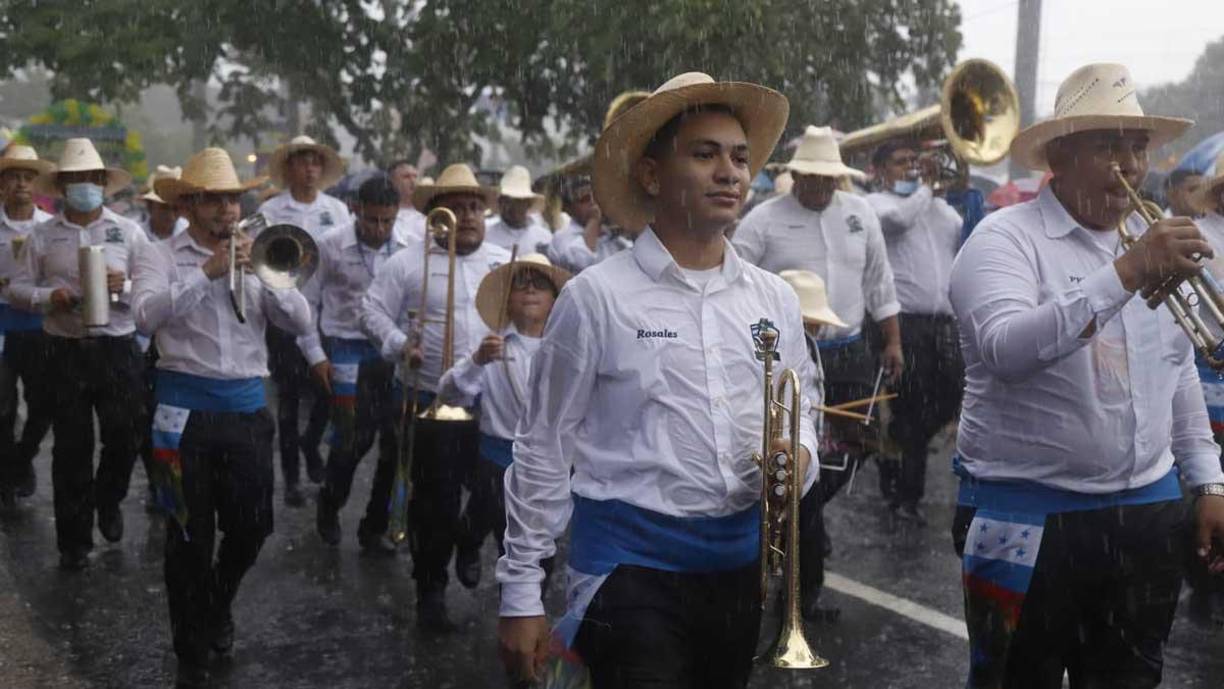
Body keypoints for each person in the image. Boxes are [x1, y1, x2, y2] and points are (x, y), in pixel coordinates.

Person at [496, 72, 820, 689]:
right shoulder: (594, 298)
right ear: (651, 176)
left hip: (739, 568)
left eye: (740, 157)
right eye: (704, 154)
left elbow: (802, 402)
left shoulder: (774, 297)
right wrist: (520, 591)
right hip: (627, 569)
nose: (729, 172)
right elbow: (543, 446)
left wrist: (797, 454)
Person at [948, 63, 1224, 689]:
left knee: (1130, 679)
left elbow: (1177, 367)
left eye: (1137, 147)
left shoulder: (1153, 240)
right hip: (1024, 516)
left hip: (1147, 514)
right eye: (1106, 146)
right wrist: (1126, 274)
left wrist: (1209, 482)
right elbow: (1004, 351)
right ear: (1060, 156)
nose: (1128, 166)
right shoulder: (1002, 241)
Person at [132, 147, 312, 689]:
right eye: (213, 200)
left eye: (232, 199)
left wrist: (268, 276)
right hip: (180, 414)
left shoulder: (256, 252)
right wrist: (207, 273)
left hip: (245, 410)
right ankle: (191, 645)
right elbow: (144, 316)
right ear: (188, 205)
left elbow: (301, 322)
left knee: (255, 524)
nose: (226, 210)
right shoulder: (158, 254)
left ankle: (215, 599)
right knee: (188, 533)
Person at [734, 124, 902, 618]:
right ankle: (803, 568)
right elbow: (734, 285)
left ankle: (802, 518)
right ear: (798, 173)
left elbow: (880, 283)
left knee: (856, 448)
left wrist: (892, 341)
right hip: (785, 353)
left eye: (830, 178)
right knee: (789, 453)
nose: (821, 187)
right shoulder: (762, 221)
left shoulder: (860, 214)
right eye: (812, 177)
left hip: (848, 352)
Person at [361, 162, 510, 631]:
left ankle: (469, 540)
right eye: (457, 207)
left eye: (475, 207)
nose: (468, 216)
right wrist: (398, 344)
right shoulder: (407, 261)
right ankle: (431, 589)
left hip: (492, 404)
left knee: (493, 494)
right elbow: (371, 309)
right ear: (435, 214)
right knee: (435, 502)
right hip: (429, 398)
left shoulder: (504, 262)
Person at [8, 138, 148, 570]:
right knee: (71, 446)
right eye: (74, 180)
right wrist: (52, 297)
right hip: (63, 350)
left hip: (117, 347)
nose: (84, 185)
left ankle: (108, 498)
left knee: (125, 435)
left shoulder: (128, 232)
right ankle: (74, 541)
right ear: (62, 186)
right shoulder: (42, 235)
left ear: (104, 183)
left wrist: (121, 287)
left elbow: (149, 291)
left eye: (91, 179)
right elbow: (16, 289)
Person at [436, 253, 569, 591]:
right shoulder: (491, 344)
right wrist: (477, 361)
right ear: (507, 299)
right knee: (487, 518)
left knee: (538, 546)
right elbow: (449, 395)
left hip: (546, 463)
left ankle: (525, 603)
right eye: (520, 283)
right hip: (496, 457)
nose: (530, 290)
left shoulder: (567, 350)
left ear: (554, 299)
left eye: (540, 284)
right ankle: (467, 543)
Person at [304, 175, 413, 554]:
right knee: (351, 440)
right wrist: (316, 355)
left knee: (394, 445)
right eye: (372, 221)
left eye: (387, 221)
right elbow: (307, 305)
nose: (379, 229)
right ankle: (330, 503)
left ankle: (374, 527)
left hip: (390, 352)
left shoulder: (407, 248)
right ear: (356, 211)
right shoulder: (330, 246)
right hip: (346, 349)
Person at [866, 139, 964, 522]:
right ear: (880, 171)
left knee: (956, 394)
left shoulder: (939, 207)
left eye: (914, 161)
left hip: (943, 322)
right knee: (912, 404)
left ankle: (897, 448)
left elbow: (967, 235)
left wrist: (960, 183)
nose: (910, 168)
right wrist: (927, 186)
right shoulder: (877, 205)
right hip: (901, 321)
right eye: (900, 162)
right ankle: (907, 497)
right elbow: (901, 220)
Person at [258, 135, 348, 506]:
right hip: (284, 317)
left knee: (330, 393)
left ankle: (313, 445)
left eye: (315, 162)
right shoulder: (273, 210)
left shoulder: (338, 211)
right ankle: (292, 477)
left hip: (328, 317)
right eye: (302, 162)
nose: (310, 169)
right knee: (289, 403)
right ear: (290, 168)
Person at [0, 145, 54, 507]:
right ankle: (6, 475)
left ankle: (22, 458)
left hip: (42, 326)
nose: (20, 183)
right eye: (12, 176)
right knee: (1, 406)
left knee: (44, 404)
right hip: (2, 326)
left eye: (26, 177)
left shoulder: (49, 229)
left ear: (35, 183)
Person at [484, 165, 553, 255]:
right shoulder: (486, 236)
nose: (511, 207)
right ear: (500, 203)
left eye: (518, 201)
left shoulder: (543, 238)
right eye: (507, 201)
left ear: (528, 203)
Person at [141, 165, 188, 242]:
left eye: (176, 209)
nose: (171, 215)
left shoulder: (189, 233)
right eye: (164, 208)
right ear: (150, 206)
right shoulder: (135, 235)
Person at [388, 159, 426, 242]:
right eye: (406, 177)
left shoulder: (427, 213)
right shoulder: (384, 214)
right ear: (392, 181)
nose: (413, 181)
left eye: (415, 176)